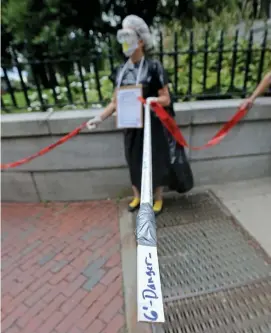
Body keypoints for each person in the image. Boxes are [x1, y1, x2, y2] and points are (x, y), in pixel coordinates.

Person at [87, 15, 173, 215]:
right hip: (131, 125)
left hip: (151, 124)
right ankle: (138, 197)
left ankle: (157, 198)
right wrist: (99, 118)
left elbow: (165, 99)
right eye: (122, 38)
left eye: (129, 37)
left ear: (140, 41)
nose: (125, 43)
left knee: (155, 159)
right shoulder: (121, 71)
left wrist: (152, 101)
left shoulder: (154, 68)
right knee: (133, 160)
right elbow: (115, 102)